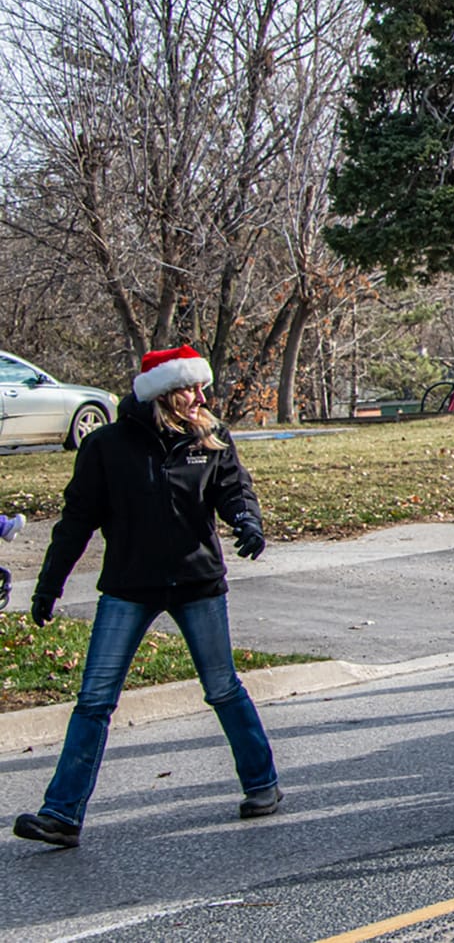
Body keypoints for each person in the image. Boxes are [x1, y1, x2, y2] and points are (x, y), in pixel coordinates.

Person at [16, 346, 279, 848]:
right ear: (163, 394)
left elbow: (234, 490)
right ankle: (61, 814)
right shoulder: (107, 447)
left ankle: (262, 784)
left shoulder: (210, 437)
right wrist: (49, 584)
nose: (202, 396)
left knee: (222, 687)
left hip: (198, 581)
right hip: (129, 587)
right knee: (94, 699)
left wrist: (247, 522)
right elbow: (75, 524)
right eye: (191, 388)